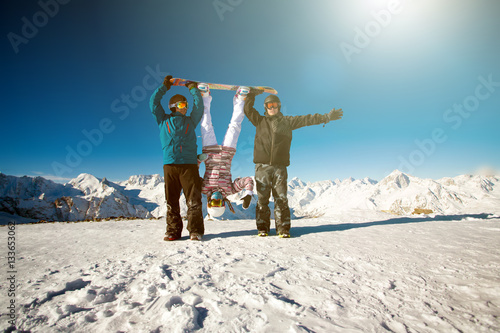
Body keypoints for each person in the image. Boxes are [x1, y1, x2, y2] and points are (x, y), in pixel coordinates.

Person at [244, 91, 343, 238]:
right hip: (262, 167)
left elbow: (306, 119)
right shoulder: (259, 121)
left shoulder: (287, 122)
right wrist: (251, 95)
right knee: (263, 199)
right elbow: (247, 109)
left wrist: (326, 117)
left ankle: (283, 229)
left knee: (281, 199)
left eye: (275, 105)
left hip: (280, 167)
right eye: (269, 105)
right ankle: (263, 228)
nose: (272, 108)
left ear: (279, 106)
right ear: (265, 107)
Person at [149, 75, 204, 241]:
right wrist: (165, 87)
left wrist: (193, 90)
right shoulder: (163, 120)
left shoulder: (190, 121)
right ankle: (173, 231)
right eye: (181, 104)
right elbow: (153, 104)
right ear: (173, 106)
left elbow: (199, 107)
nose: (185, 107)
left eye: (185, 104)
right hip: (170, 165)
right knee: (171, 201)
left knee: (194, 200)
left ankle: (195, 231)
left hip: (189, 165)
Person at [197, 83, 254, 219]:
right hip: (228, 152)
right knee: (235, 126)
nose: (216, 199)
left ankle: (205, 96)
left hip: (209, 152)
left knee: (206, 125)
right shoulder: (230, 190)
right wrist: (249, 193)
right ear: (223, 202)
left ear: (209, 202)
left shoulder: (203, 189)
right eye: (219, 202)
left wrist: (199, 159)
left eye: (213, 202)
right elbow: (247, 180)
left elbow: (191, 175)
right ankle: (241, 98)